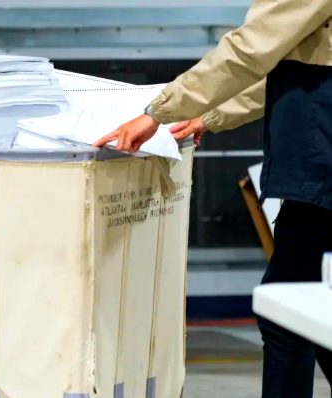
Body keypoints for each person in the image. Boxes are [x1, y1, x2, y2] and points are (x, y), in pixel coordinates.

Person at [94, 0, 332, 396]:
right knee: (307, 307)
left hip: (320, 147)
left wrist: (157, 112)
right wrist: (209, 115)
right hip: (318, 143)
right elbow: (290, 57)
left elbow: (251, 48)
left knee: (292, 312)